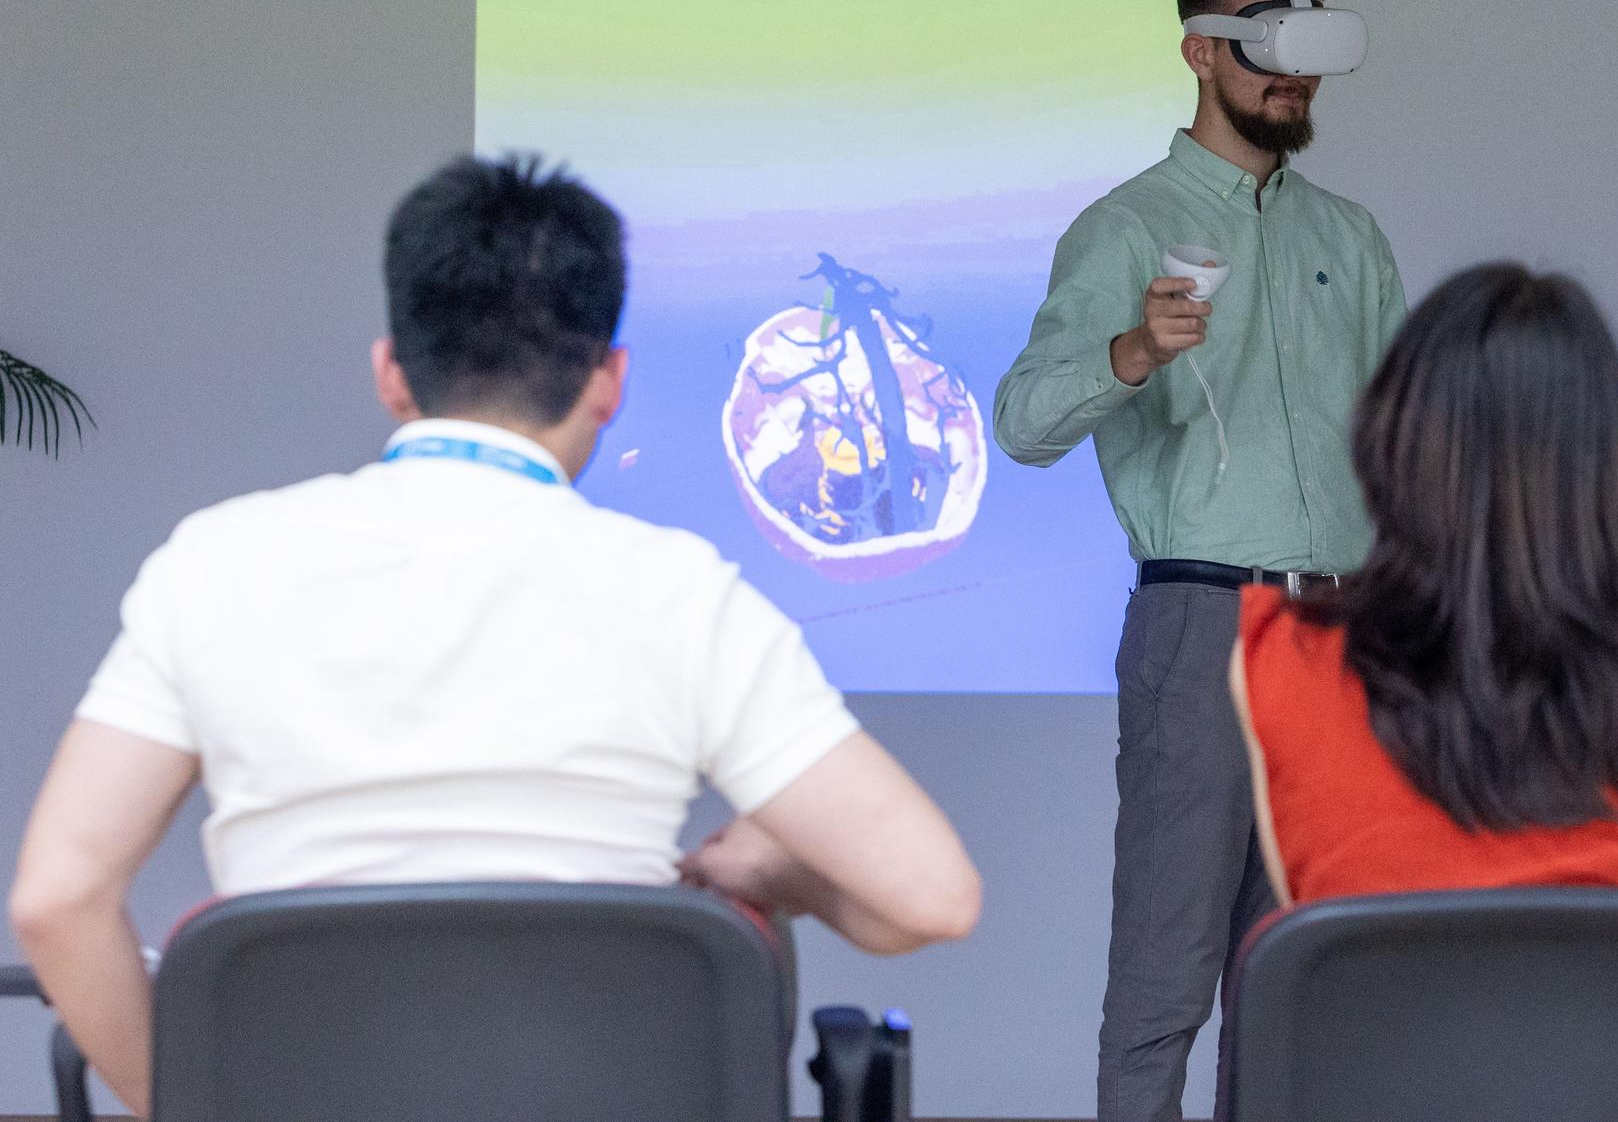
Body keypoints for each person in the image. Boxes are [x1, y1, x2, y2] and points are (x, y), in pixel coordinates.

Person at [8, 155, 981, 1117]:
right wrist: (769, 870)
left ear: (392, 371)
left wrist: (197, 1103)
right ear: (609, 380)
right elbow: (927, 898)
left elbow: (57, 899)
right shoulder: (681, 591)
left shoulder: (213, 562)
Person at [993, 0, 1406, 1122]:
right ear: (1198, 52)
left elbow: (1402, 441)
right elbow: (1020, 422)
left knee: (1302, 968)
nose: (1291, 74)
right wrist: (1130, 353)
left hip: (1339, 631)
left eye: (1306, 46)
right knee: (1170, 968)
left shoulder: (1350, 238)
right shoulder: (1127, 227)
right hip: (1203, 619)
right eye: (1262, 41)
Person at [1233, 263, 1618, 910]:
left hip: (1388, 1017)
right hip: (1601, 1017)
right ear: (1609, 461)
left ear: (1394, 440)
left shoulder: (1284, 656)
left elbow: (1316, 959)